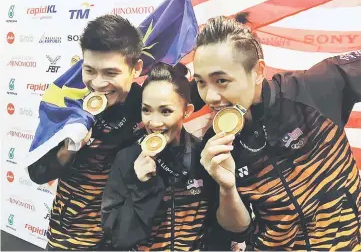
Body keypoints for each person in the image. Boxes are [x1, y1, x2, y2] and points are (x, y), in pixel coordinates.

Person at [192, 14, 361, 251]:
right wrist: (227, 187)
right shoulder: (214, 146)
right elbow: (238, 229)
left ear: (258, 71)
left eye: (221, 80)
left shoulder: (312, 90)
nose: (209, 97)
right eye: (200, 83)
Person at [28, 15, 144, 251]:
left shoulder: (147, 106)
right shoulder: (67, 104)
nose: (98, 83)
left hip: (123, 240)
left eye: (111, 73)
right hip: (69, 240)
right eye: (89, 70)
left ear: (136, 69)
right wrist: (68, 149)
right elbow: (37, 172)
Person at [101, 62, 230, 251]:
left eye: (166, 111)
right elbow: (118, 238)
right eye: (146, 110)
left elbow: (218, 231)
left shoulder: (203, 155)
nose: (153, 122)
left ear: (187, 112)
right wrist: (142, 187)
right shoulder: (127, 158)